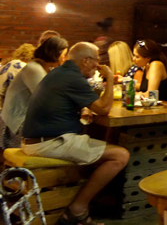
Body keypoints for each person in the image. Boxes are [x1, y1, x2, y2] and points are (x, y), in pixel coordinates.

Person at [21, 42, 129, 225]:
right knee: (120, 155)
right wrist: (110, 78)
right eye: (96, 61)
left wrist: (82, 108)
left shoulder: (60, 72)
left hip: (37, 139)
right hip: (49, 142)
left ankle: (87, 204)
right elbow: (104, 108)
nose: (98, 65)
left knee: (99, 146)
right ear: (85, 60)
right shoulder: (73, 77)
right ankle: (78, 209)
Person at [1, 37, 68, 149]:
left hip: (24, 121)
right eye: (64, 54)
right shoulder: (33, 69)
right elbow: (48, 100)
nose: (65, 58)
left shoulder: (43, 68)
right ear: (55, 53)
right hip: (16, 124)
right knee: (62, 139)